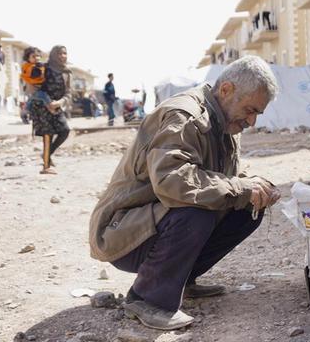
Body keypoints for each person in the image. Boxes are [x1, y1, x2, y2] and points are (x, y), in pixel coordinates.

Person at [89, 56, 281, 330]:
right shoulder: (184, 116)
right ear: (225, 90)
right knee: (195, 211)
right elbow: (172, 182)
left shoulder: (226, 123)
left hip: (157, 223)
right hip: (121, 233)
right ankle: (147, 298)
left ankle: (180, 280)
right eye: (249, 109)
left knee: (247, 209)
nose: (251, 120)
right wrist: (240, 187)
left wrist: (255, 187)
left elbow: (224, 179)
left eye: (257, 113)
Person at [29, 45, 72, 175]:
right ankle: (46, 166)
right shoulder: (43, 67)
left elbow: (69, 93)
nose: (62, 56)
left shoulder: (67, 72)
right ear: (53, 55)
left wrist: (59, 103)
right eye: (59, 53)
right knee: (48, 134)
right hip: (42, 105)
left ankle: (47, 155)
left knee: (64, 130)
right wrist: (48, 103)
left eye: (64, 53)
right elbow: (33, 86)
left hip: (57, 105)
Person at [21, 47, 53, 113]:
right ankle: (52, 109)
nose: (37, 58)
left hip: (39, 88)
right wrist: (37, 66)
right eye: (33, 56)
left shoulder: (39, 65)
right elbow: (33, 73)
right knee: (44, 96)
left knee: (31, 99)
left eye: (38, 56)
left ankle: (25, 111)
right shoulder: (28, 66)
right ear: (28, 59)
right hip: (33, 89)